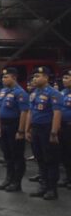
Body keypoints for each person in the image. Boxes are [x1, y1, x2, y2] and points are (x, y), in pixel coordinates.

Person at [25, 66, 63, 200]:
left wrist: (54, 132)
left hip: (47, 129)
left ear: (46, 78)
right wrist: (27, 129)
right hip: (36, 129)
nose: (35, 79)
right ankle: (43, 186)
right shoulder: (34, 93)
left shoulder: (53, 93)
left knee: (50, 159)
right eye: (34, 76)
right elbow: (30, 112)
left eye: (37, 76)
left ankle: (52, 189)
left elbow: (57, 113)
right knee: (40, 158)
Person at [0, 67, 29, 192]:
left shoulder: (20, 93)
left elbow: (24, 113)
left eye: (6, 77)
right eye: (3, 77)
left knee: (17, 155)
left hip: (14, 125)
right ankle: (8, 179)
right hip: (3, 125)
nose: (3, 79)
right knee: (7, 155)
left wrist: (21, 131)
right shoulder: (3, 91)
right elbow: (0, 109)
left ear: (14, 77)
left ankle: (16, 182)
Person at [59, 69, 71, 188]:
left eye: (67, 78)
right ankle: (67, 177)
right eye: (64, 78)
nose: (64, 80)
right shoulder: (62, 92)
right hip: (62, 127)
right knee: (65, 153)